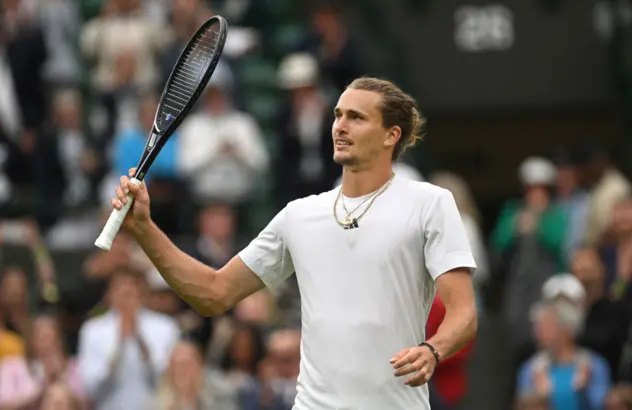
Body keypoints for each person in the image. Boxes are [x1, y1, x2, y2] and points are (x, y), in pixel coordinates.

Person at [109, 77, 478, 409]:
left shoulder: (431, 203)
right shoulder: (298, 215)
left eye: (356, 117)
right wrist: (144, 229)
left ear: (390, 135)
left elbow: (463, 314)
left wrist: (433, 350)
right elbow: (213, 292)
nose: (340, 126)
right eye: (337, 115)